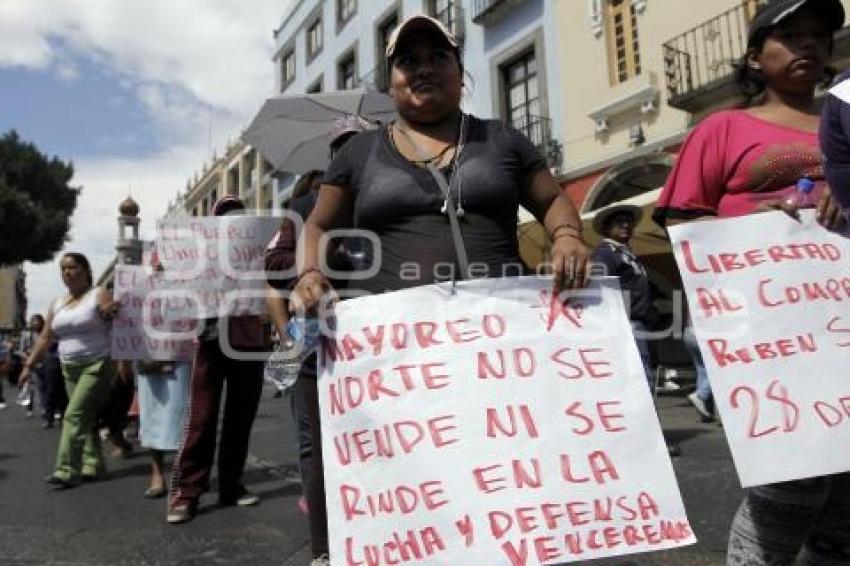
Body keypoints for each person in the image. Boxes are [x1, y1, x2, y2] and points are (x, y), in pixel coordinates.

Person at [290, 15, 591, 565]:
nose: (423, 68)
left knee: (503, 471)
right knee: (414, 480)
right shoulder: (357, 153)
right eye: (408, 61)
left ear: (459, 71)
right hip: (397, 352)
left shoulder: (501, 138)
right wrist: (310, 274)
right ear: (390, 83)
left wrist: (568, 236)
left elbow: (551, 199)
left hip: (499, 346)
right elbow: (316, 226)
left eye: (437, 57)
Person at [654, 1, 849, 563]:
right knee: (790, 481)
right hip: (771, 333)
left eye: (818, 35)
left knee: (847, 490)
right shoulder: (722, 127)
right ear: (755, 57)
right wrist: (766, 227)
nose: (808, 45)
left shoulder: (846, 120)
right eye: (790, 36)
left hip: (842, 327)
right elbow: (684, 222)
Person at [265, 118, 365, 561]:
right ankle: (324, 547)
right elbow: (274, 263)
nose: (349, 156)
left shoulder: (389, 198)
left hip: (373, 337)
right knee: (313, 441)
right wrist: (313, 268)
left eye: (358, 146)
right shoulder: (305, 206)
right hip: (310, 337)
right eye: (341, 148)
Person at [167, 196, 267, 524]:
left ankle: (231, 486)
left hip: (250, 341)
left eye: (236, 214)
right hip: (209, 342)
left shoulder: (256, 252)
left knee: (241, 418)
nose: (230, 220)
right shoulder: (197, 255)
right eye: (223, 215)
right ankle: (187, 494)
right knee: (202, 419)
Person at [20, 252, 121, 489]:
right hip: (69, 368)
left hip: (97, 364)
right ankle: (93, 464)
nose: (67, 272)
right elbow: (45, 338)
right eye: (63, 269)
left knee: (73, 416)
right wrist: (28, 365)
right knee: (85, 416)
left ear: (85, 270)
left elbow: (108, 309)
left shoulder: (98, 293)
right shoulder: (57, 303)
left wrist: (109, 310)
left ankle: (66, 469)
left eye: (73, 267)